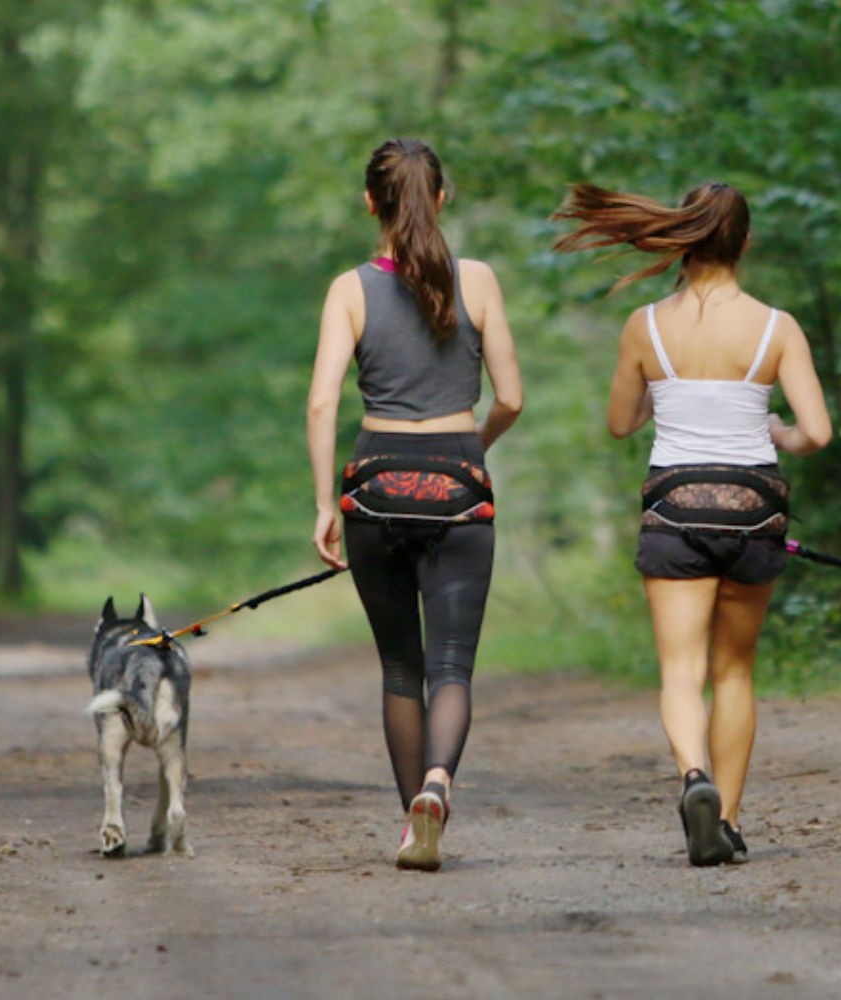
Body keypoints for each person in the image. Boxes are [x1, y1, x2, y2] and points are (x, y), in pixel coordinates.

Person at [552, 180, 832, 867]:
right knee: (734, 671)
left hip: (675, 507)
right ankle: (728, 820)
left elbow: (621, 424)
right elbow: (817, 434)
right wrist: (778, 431)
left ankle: (693, 779)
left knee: (681, 672)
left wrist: (659, 402)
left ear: (683, 237)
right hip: (753, 507)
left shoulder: (646, 326)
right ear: (743, 242)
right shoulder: (777, 326)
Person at [306, 138, 524, 872]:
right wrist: (473, 451)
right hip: (458, 477)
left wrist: (323, 505)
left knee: (401, 668)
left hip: (375, 482)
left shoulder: (350, 288)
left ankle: (411, 826)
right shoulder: (481, 281)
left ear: (371, 202)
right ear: (443, 198)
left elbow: (320, 401)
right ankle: (439, 783)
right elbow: (513, 398)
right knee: (451, 666)